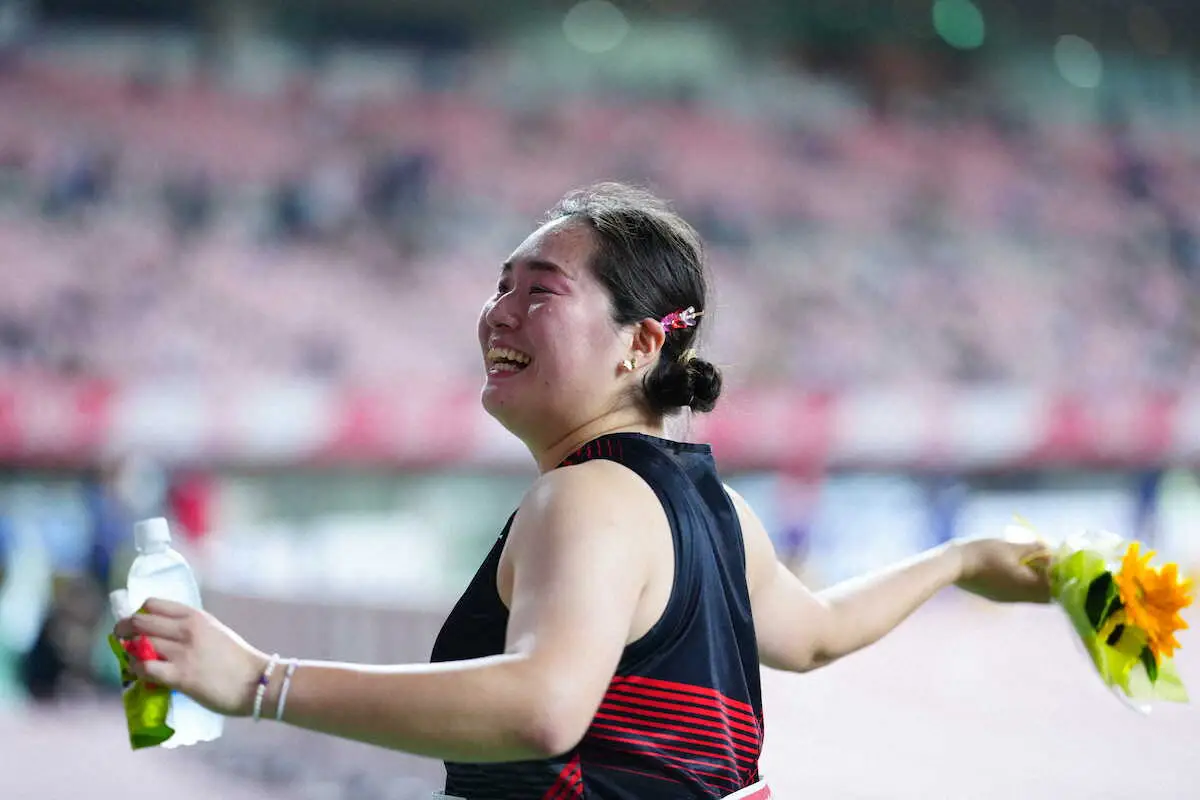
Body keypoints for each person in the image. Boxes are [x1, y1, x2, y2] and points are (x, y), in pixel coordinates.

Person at [114, 183, 1050, 800]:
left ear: (641, 344)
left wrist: (262, 684)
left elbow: (543, 708)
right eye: (499, 284)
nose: (497, 313)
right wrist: (958, 560)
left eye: (541, 291)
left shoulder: (589, 496)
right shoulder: (712, 509)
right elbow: (814, 634)